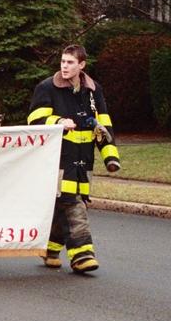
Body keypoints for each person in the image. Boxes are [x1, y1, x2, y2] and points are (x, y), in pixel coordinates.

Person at [28, 44, 120, 273]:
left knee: (66, 204)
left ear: (82, 65)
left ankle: (49, 248)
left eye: (70, 62)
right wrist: (58, 122)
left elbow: (103, 125)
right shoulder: (47, 87)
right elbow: (34, 120)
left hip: (84, 161)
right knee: (72, 203)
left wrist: (110, 157)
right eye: (63, 61)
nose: (65, 66)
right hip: (58, 160)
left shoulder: (93, 90)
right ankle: (82, 254)